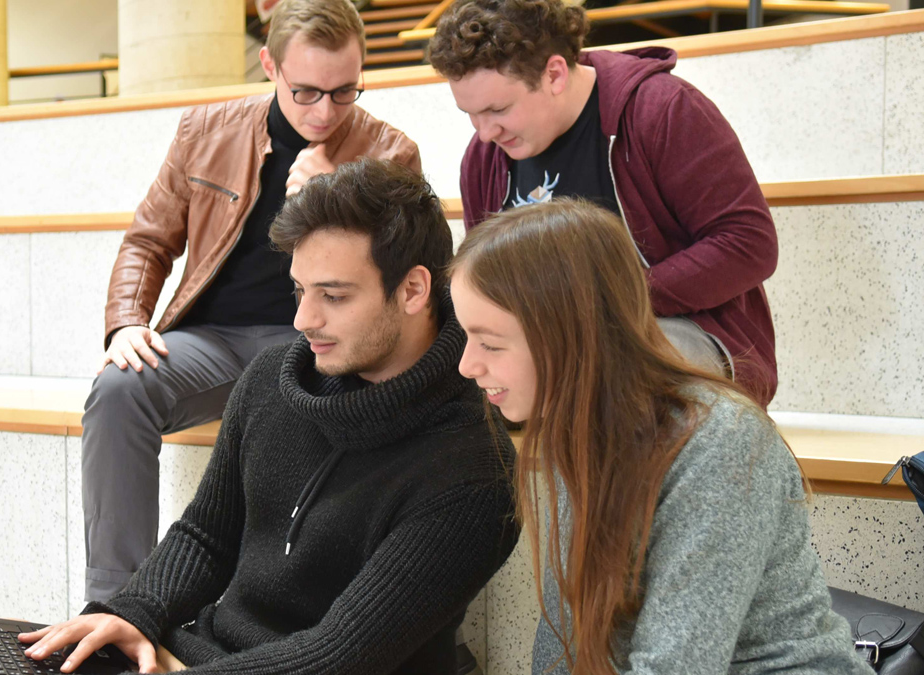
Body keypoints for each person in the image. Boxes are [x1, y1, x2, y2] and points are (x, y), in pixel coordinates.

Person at [0, 159, 517, 675]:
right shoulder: (273, 380)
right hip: (199, 656)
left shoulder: (471, 469)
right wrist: (132, 612)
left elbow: (336, 657)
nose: (304, 321)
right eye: (300, 292)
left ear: (412, 290)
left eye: (334, 296)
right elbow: (205, 536)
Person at [83, 0, 421, 603]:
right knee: (117, 389)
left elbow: (400, 286)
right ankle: (112, 606)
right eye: (307, 92)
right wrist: (125, 325)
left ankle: (277, 616)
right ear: (269, 65)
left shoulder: (390, 154)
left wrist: (336, 201)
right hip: (212, 341)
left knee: (314, 399)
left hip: (316, 343)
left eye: (345, 92)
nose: (326, 111)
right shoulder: (205, 131)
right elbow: (148, 240)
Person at [448, 198, 873, 675]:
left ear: (571, 335)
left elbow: (676, 666)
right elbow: (568, 646)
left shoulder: (719, 442)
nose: (467, 365)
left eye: (490, 343)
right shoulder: (579, 426)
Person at [428, 0, 780, 407]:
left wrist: (611, 304)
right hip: (546, 346)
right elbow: (485, 283)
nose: (485, 133)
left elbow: (748, 243)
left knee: (609, 377)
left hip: (672, 329)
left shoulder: (662, 110)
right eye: (470, 114)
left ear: (555, 73)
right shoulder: (483, 159)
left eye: (499, 109)